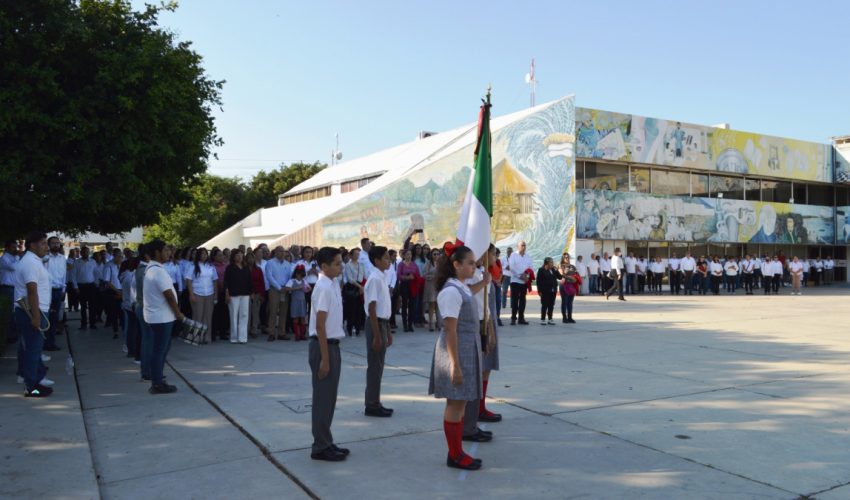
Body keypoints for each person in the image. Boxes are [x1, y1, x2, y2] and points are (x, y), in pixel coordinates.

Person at [428, 244, 485, 471]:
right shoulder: (451, 291)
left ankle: (457, 451)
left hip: (465, 349)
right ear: (456, 265)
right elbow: (450, 329)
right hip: (456, 351)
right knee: (455, 403)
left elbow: (470, 293)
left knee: (460, 403)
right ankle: (454, 454)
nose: (474, 266)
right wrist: (455, 365)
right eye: (470, 263)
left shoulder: (459, 286)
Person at [308, 247, 349, 462]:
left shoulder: (332, 284)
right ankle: (320, 446)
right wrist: (324, 358)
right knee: (323, 398)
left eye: (341, 262)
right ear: (324, 267)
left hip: (333, 345)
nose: (341, 266)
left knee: (329, 398)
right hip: (323, 346)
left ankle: (326, 440)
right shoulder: (323, 287)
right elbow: (320, 326)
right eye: (337, 263)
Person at [462, 244, 499, 442]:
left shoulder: (482, 273)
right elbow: (466, 294)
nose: (494, 256)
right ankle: (468, 424)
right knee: (474, 375)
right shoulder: (468, 277)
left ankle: (476, 413)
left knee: (483, 370)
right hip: (474, 325)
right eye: (492, 252)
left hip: (485, 322)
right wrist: (484, 283)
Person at [14, 231, 53, 397]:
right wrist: (36, 317)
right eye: (43, 243)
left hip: (35, 310)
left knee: (34, 350)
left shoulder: (34, 261)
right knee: (32, 350)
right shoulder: (30, 262)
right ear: (32, 245)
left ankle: (35, 381)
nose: (46, 246)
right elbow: (32, 291)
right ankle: (31, 388)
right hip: (31, 312)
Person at [143, 240, 184, 394]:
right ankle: (157, 383)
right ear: (156, 253)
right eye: (165, 250)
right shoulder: (157, 271)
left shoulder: (154, 269)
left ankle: (158, 379)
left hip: (160, 316)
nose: (169, 253)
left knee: (160, 350)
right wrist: (178, 313)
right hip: (161, 317)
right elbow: (169, 295)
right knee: (160, 350)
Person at [363, 245, 394, 417]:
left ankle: (376, 401)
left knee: (379, 365)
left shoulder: (382, 277)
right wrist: (376, 335)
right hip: (375, 324)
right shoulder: (375, 278)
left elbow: (385, 308)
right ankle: (371, 405)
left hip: (383, 323)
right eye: (385, 258)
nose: (388, 260)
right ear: (376, 261)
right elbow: (372, 308)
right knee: (375, 366)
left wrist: (387, 332)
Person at [187, 248, 218, 344]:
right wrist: (191, 294)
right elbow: (189, 281)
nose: (204, 255)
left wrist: (215, 295)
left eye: (205, 254)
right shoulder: (193, 266)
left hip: (209, 293)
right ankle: (196, 337)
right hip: (198, 293)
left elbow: (215, 281)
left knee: (208, 316)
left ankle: (206, 337)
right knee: (198, 316)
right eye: (202, 254)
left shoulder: (211, 267)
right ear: (198, 255)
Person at [224, 249, 252, 344]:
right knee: (233, 315)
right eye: (237, 255)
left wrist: (251, 292)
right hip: (233, 294)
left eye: (241, 255)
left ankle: (242, 337)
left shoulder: (246, 267)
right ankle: (234, 337)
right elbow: (226, 282)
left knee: (244, 315)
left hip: (245, 294)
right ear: (233, 256)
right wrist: (227, 294)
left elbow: (249, 281)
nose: (240, 257)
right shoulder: (229, 268)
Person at [265, 246, 292, 341]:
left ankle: (282, 333)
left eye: (283, 251)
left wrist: (287, 287)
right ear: (275, 252)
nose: (282, 253)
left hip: (285, 290)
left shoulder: (288, 264)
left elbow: (290, 277)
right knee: (273, 311)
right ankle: (271, 333)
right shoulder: (270, 263)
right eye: (279, 251)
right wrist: (279, 287)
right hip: (275, 290)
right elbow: (269, 277)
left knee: (283, 312)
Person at [44, 237, 66, 351]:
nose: (56, 245)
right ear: (48, 245)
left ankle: (51, 343)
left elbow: (64, 275)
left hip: (58, 291)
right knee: (45, 318)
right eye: (53, 243)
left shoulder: (62, 258)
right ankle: (45, 343)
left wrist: (63, 289)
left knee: (55, 318)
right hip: (47, 291)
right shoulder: (45, 258)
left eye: (58, 243)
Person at [120, 258, 140, 362]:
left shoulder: (126, 275)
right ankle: (132, 349)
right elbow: (134, 292)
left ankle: (131, 349)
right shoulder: (132, 276)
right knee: (134, 329)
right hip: (132, 305)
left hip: (127, 304)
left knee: (131, 328)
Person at [72, 246, 98, 329]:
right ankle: (83, 324)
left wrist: (96, 284)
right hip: (81, 286)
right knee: (83, 306)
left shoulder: (93, 262)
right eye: (84, 252)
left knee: (92, 306)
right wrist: (75, 287)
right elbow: (73, 275)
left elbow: (96, 273)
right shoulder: (76, 262)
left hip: (91, 286)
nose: (85, 253)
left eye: (87, 252)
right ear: (81, 253)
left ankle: (92, 323)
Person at [508, 241, 532, 325]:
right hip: (515, 281)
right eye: (522, 245)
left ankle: (521, 318)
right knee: (514, 301)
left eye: (525, 245)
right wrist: (520, 276)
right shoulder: (513, 255)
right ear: (518, 246)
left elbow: (530, 268)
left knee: (522, 301)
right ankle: (513, 318)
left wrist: (527, 277)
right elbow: (512, 267)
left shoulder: (528, 257)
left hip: (524, 282)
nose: (524, 247)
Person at [343, 247, 366, 336]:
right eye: (355, 254)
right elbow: (350, 278)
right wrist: (360, 286)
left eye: (358, 254)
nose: (357, 255)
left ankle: (357, 327)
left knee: (359, 309)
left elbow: (363, 276)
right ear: (351, 255)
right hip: (351, 287)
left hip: (360, 287)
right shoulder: (348, 265)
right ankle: (350, 327)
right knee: (351, 309)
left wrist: (362, 287)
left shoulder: (361, 265)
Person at [397, 249, 420, 332]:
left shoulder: (414, 264)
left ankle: (410, 324)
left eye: (410, 254)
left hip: (412, 285)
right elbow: (398, 275)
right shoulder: (401, 264)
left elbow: (418, 274)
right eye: (407, 254)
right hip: (404, 285)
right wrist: (406, 277)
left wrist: (414, 277)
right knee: (404, 305)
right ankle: (405, 325)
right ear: (404, 255)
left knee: (412, 305)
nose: (409, 256)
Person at [285, 266, 310, 341]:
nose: (299, 276)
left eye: (301, 274)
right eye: (298, 274)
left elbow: (309, 288)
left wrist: (306, 290)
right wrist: (297, 288)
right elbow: (286, 288)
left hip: (302, 301)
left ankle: (302, 334)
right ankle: (297, 335)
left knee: (302, 318)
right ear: (296, 274)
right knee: (295, 318)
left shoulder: (304, 281)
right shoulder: (292, 281)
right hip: (295, 302)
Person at [103, 250, 124, 339]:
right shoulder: (109, 266)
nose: (120, 258)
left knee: (123, 311)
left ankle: (124, 329)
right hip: (112, 291)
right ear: (114, 256)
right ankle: (115, 331)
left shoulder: (122, 265)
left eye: (121, 257)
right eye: (119, 256)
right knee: (114, 312)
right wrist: (117, 291)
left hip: (122, 290)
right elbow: (107, 281)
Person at [536, 257, 561, 325]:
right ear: (547, 263)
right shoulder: (541, 270)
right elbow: (538, 281)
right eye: (551, 262)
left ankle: (550, 318)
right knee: (545, 305)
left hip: (553, 290)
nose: (552, 264)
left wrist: (556, 270)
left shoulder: (553, 269)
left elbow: (560, 277)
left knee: (551, 304)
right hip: (545, 290)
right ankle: (543, 319)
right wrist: (539, 291)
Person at [246, 252, 265, 338]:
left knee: (255, 313)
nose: (251, 260)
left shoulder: (258, 269)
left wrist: (261, 294)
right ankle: (246, 330)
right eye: (249, 258)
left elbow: (262, 282)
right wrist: (250, 293)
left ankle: (254, 330)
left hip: (257, 293)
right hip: (246, 294)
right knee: (247, 313)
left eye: (252, 258)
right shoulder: (244, 269)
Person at [423, 248, 439, 331]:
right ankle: (431, 323)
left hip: (438, 286)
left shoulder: (441, 263)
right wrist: (432, 277)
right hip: (430, 286)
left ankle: (439, 323)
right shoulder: (428, 263)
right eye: (434, 254)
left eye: (437, 254)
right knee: (432, 305)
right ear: (431, 255)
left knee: (438, 305)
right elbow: (424, 275)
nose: (436, 255)